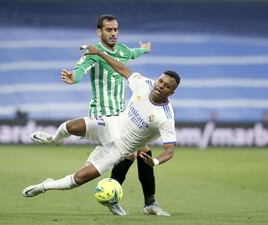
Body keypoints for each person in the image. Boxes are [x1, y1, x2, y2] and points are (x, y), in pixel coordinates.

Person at [23, 45, 180, 217]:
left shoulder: (165, 117)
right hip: (110, 125)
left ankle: (45, 186)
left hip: (118, 150)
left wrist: (155, 162)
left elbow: (170, 150)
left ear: (171, 92)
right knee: (71, 127)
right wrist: (99, 52)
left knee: (79, 179)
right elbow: (121, 68)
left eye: (166, 86)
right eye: (160, 81)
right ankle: (54, 140)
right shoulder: (143, 84)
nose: (160, 86)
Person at [60, 14, 169, 216]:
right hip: (103, 115)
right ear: (99, 31)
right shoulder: (94, 52)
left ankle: (147, 203)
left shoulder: (122, 51)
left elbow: (133, 53)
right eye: (108, 30)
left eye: (116, 29)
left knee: (142, 150)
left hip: (121, 114)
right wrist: (72, 77)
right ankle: (130, 200)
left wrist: (145, 48)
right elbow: (80, 71)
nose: (113, 33)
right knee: (132, 151)